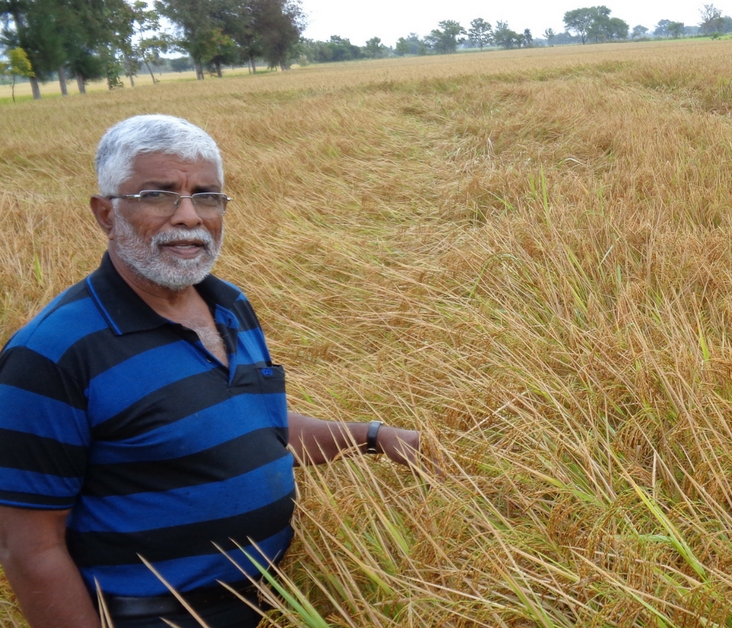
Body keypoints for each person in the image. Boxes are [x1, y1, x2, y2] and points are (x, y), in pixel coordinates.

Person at [0, 114, 425, 628]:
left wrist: (373, 437)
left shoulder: (230, 306)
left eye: (206, 196)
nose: (188, 217)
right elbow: (30, 549)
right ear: (106, 214)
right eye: (158, 195)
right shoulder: (53, 354)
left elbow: (252, 426)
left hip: (285, 602)